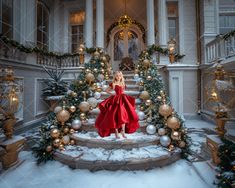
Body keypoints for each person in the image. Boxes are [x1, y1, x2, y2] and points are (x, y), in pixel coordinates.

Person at [95, 71, 139, 139]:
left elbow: (122, 91)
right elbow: (106, 90)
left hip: (123, 100)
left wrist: (122, 96)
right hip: (115, 100)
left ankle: (123, 131)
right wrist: (112, 94)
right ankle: (116, 132)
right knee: (114, 116)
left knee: (124, 116)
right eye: (117, 76)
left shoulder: (123, 83)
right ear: (115, 76)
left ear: (121, 76)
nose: (118, 77)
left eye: (119, 75)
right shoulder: (113, 83)